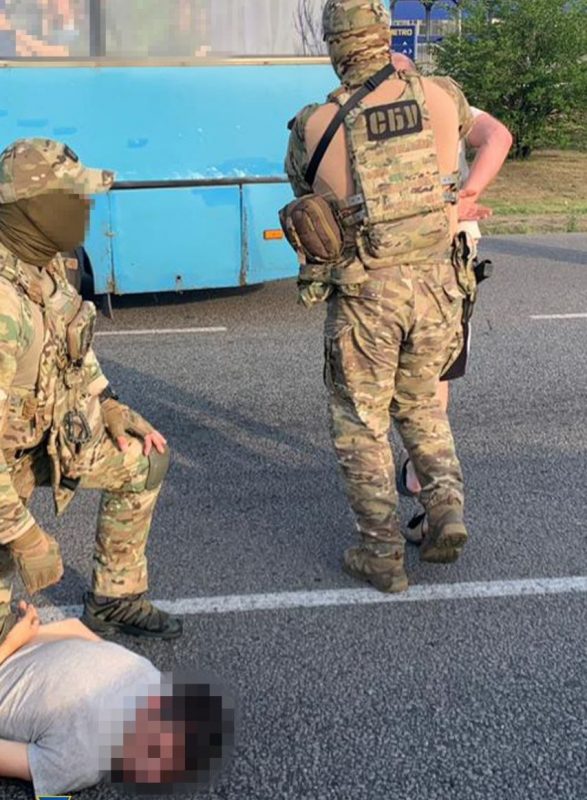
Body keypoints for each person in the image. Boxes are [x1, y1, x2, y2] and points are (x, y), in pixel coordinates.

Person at [284, 0, 481, 592]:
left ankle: (381, 554)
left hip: (368, 295)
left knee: (361, 424)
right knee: (421, 406)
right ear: (384, 34)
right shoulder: (442, 96)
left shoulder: (313, 125)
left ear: (333, 45)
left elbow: (305, 191)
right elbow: (466, 144)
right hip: (439, 289)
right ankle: (444, 507)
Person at [0, 138, 182, 643]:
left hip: (39, 440)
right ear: (32, 210)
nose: (84, 210)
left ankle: (115, 599)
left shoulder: (41, 265)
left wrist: (108, 403)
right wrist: (26, 536)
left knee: (144, 460)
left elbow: (74, 348)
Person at [388, 55, 513, 530]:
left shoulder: (365, 114)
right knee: (435, 376)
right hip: (450, 261)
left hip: (388, 265)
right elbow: (499, 137)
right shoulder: (446, 103)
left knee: (381, 379)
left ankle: (405, 487)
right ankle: (429, 491)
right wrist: (467, 196)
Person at [0, 602, 233, 796]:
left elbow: (76, 630)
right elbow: (80, 632)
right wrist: (26, 633)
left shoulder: (81, 761)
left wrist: (16, 639)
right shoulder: (150, 678)